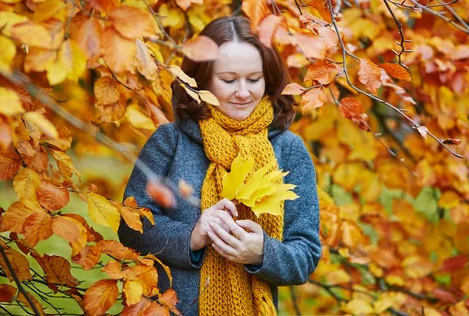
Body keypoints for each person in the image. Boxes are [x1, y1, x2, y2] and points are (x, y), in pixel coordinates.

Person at [118, 16, 321, 315]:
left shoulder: (289, 150)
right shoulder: (169, 142)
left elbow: (305, 253)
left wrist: (262, 252)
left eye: (254, 79)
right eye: (229, 80)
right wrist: (192, 237)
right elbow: (130, 226)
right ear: (204, 79)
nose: (243, 92)